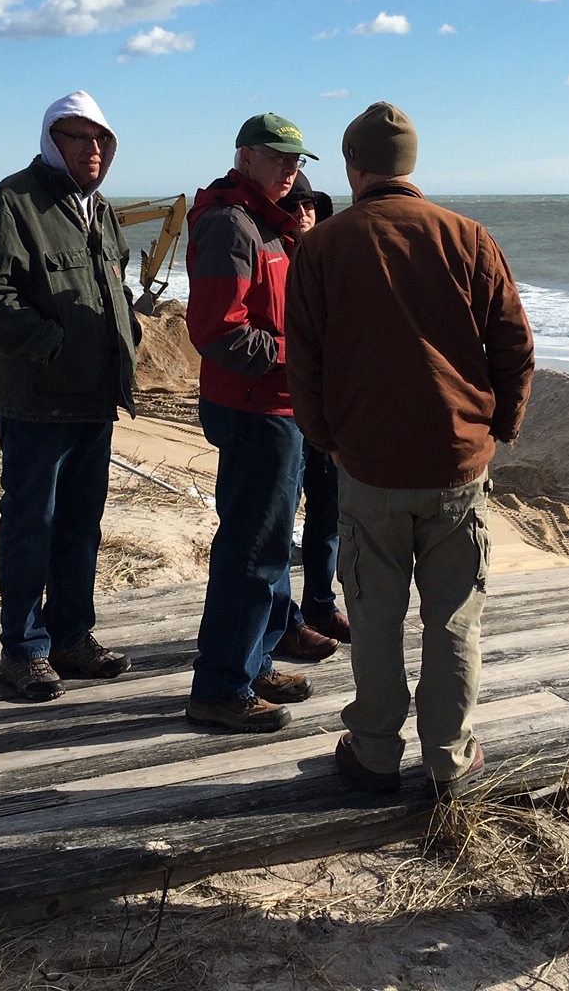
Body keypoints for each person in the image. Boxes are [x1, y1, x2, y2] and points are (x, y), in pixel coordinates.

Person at [285, 102, 534, 795]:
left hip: (369, 465)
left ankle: (373, 750)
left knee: (373, 613)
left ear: (353, 166)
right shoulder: (468, 236)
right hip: (458, 460)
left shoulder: (324, 246)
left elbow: (302, 363)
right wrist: (501, 427)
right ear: (411, 164)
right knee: (454, 616)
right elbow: (515, 344)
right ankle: (449, 759)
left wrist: (326, 437)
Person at [0, 92, 142, 703]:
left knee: (81, 525)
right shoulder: (14, 202)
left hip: (94, 398)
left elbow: (113, 286)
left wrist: (126, 336)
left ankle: (72, 636)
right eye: (77, 137)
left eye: (100, 139)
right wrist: (51, 343)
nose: (92, 149)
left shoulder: (103, 211)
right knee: (32, 523)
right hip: (37, 399)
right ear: (50, 140)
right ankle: (24, 649)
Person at [184, 112, 328, 733]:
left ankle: (255, 658)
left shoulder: (267, 225)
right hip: (255, 407)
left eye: (297, 160)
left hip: (278, 406)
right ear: (244, 156)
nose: (291, 169)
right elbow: (217, 330)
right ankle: (221, 685)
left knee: (270, 546)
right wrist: (297, 353)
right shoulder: (230, 226)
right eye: (278, 158)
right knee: (250, 549)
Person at [274, 172, 352, 652]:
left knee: (328, 513)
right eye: (295, 204)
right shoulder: (270, 253)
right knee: (279, 521)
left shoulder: (332, 256)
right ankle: (284, 620)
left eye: (310, 204)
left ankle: (321, 604)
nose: (303, 212)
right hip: (281, 404)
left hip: (327, 407)